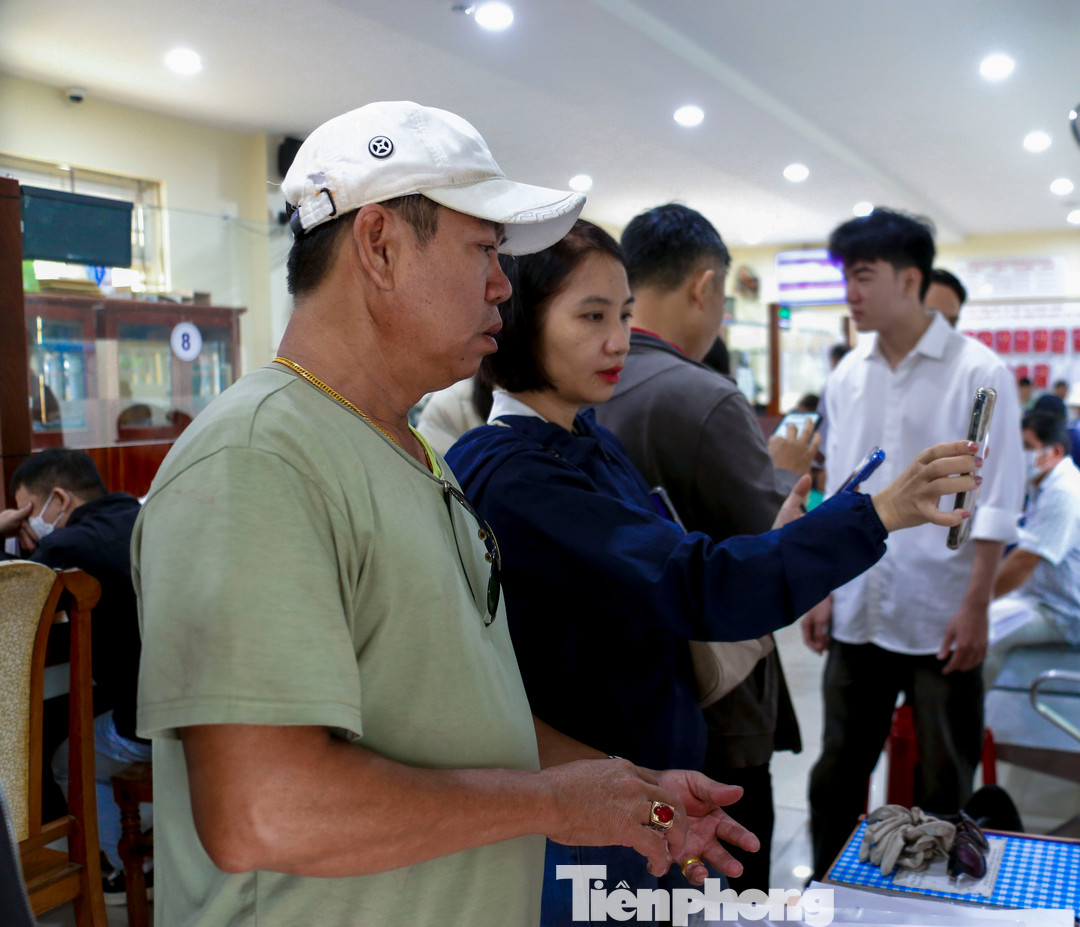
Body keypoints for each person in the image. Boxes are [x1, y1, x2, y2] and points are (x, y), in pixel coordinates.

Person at [131, 101, 751, 927]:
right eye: (485, 250)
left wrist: (619, 787)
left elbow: (462, 713)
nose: (503, 285)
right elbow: (263, 811)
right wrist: (549, 805)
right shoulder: (258, 460)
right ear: (380, 245)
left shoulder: (412, 450)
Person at [445, 220, 982, 920]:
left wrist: (790, 535)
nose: (618, 340)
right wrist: (874, 514)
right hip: (587, 804)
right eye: (592, 316)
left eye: (624, 314)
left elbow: (676, 564)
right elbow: (696, 582)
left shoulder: (583, 440)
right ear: (516, 319)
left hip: (644, 782)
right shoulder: (515, 474)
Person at [593, 203, 809, 893]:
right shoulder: (706, 398)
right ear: (705, 285)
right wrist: (781, 470)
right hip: (715, 703)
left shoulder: (577, 388)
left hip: (607, 698)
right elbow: (772, 556)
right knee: (725, 884)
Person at [804, 208, 1024, 879]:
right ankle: (829, 891)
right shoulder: (847, 376)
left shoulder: (979, 372)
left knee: (944, 775)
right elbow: (838, 493)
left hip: (941, 611)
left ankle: (933, 904)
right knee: (838, 769)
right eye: (847, 277)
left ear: (910, 278)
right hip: (860, 605)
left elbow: (998, 501)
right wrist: (819, 587)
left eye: (864, 276)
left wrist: (978, 603)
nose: (852, 292)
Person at [0, 448, 147, 902]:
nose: (30, 522)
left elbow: (13, 597)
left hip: (149, 728)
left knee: (65, 761)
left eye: (28, 509)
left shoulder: (66, 546)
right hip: (205, 708)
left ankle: (125, 870)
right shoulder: (144, 515)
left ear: (59, 499)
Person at [983, 410, 1080, 688]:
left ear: (1054, 452)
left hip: (1065, 614)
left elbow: (1024, 561)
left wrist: (978, 601)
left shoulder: (1064, 494)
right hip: (1041, 597)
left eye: (1026, 448)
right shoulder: (1044, 484)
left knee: (982, 634)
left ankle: (965, 723)